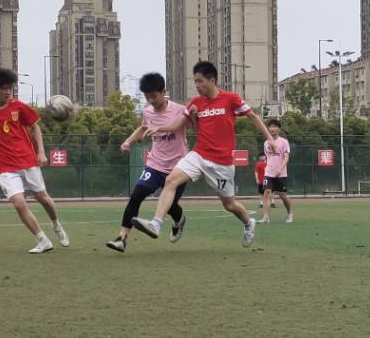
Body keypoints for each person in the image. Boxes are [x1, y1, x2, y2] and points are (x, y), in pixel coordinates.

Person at [134, 61, 276, 247]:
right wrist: (159, 127)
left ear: (212, 80)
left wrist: (269, 139)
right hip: (199, 155)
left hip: (222, 163)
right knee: (171, 180)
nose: (197, 85)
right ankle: (156, 224)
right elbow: (177, 125)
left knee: (229, 205)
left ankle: (249, 223)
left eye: (200, 81)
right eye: (195, 81)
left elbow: (253, 117)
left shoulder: (230, 99)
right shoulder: (195, 103)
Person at [0, 68, 69, 254]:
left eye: (11, 88)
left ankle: (56, 224)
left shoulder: (19, 107)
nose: (8, 92)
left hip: (28, 161)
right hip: (4, 167)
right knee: (18, 203)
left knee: (43, 199)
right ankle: (42, 240)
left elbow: (35, 128)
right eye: (4, 88)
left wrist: (41, 152)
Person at [106, 73, 191, 253]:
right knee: (136, 195)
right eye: (147, 97)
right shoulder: (147, 112)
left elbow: (191, 126)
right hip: (155, 164)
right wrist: (128, 141)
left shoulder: (179, 110)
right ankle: (122, 238)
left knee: (170, 206)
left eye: (154, 96)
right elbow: (143, 127)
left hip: (178, 167)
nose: (151, 100)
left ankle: (180, 219)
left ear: (163, 92)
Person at [261, 119, 293, 224]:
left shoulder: (284, 142)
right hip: (269, 172)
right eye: (271, 127)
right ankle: (265, 217)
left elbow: (286, 157)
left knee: (282, 195)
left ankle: (289, 213)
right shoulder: (266, 143)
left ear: (279, 129)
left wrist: (280, 168)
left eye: (275, 127)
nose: (272, 129)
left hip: (281, 174)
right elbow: (268, 157)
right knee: (267, 192)